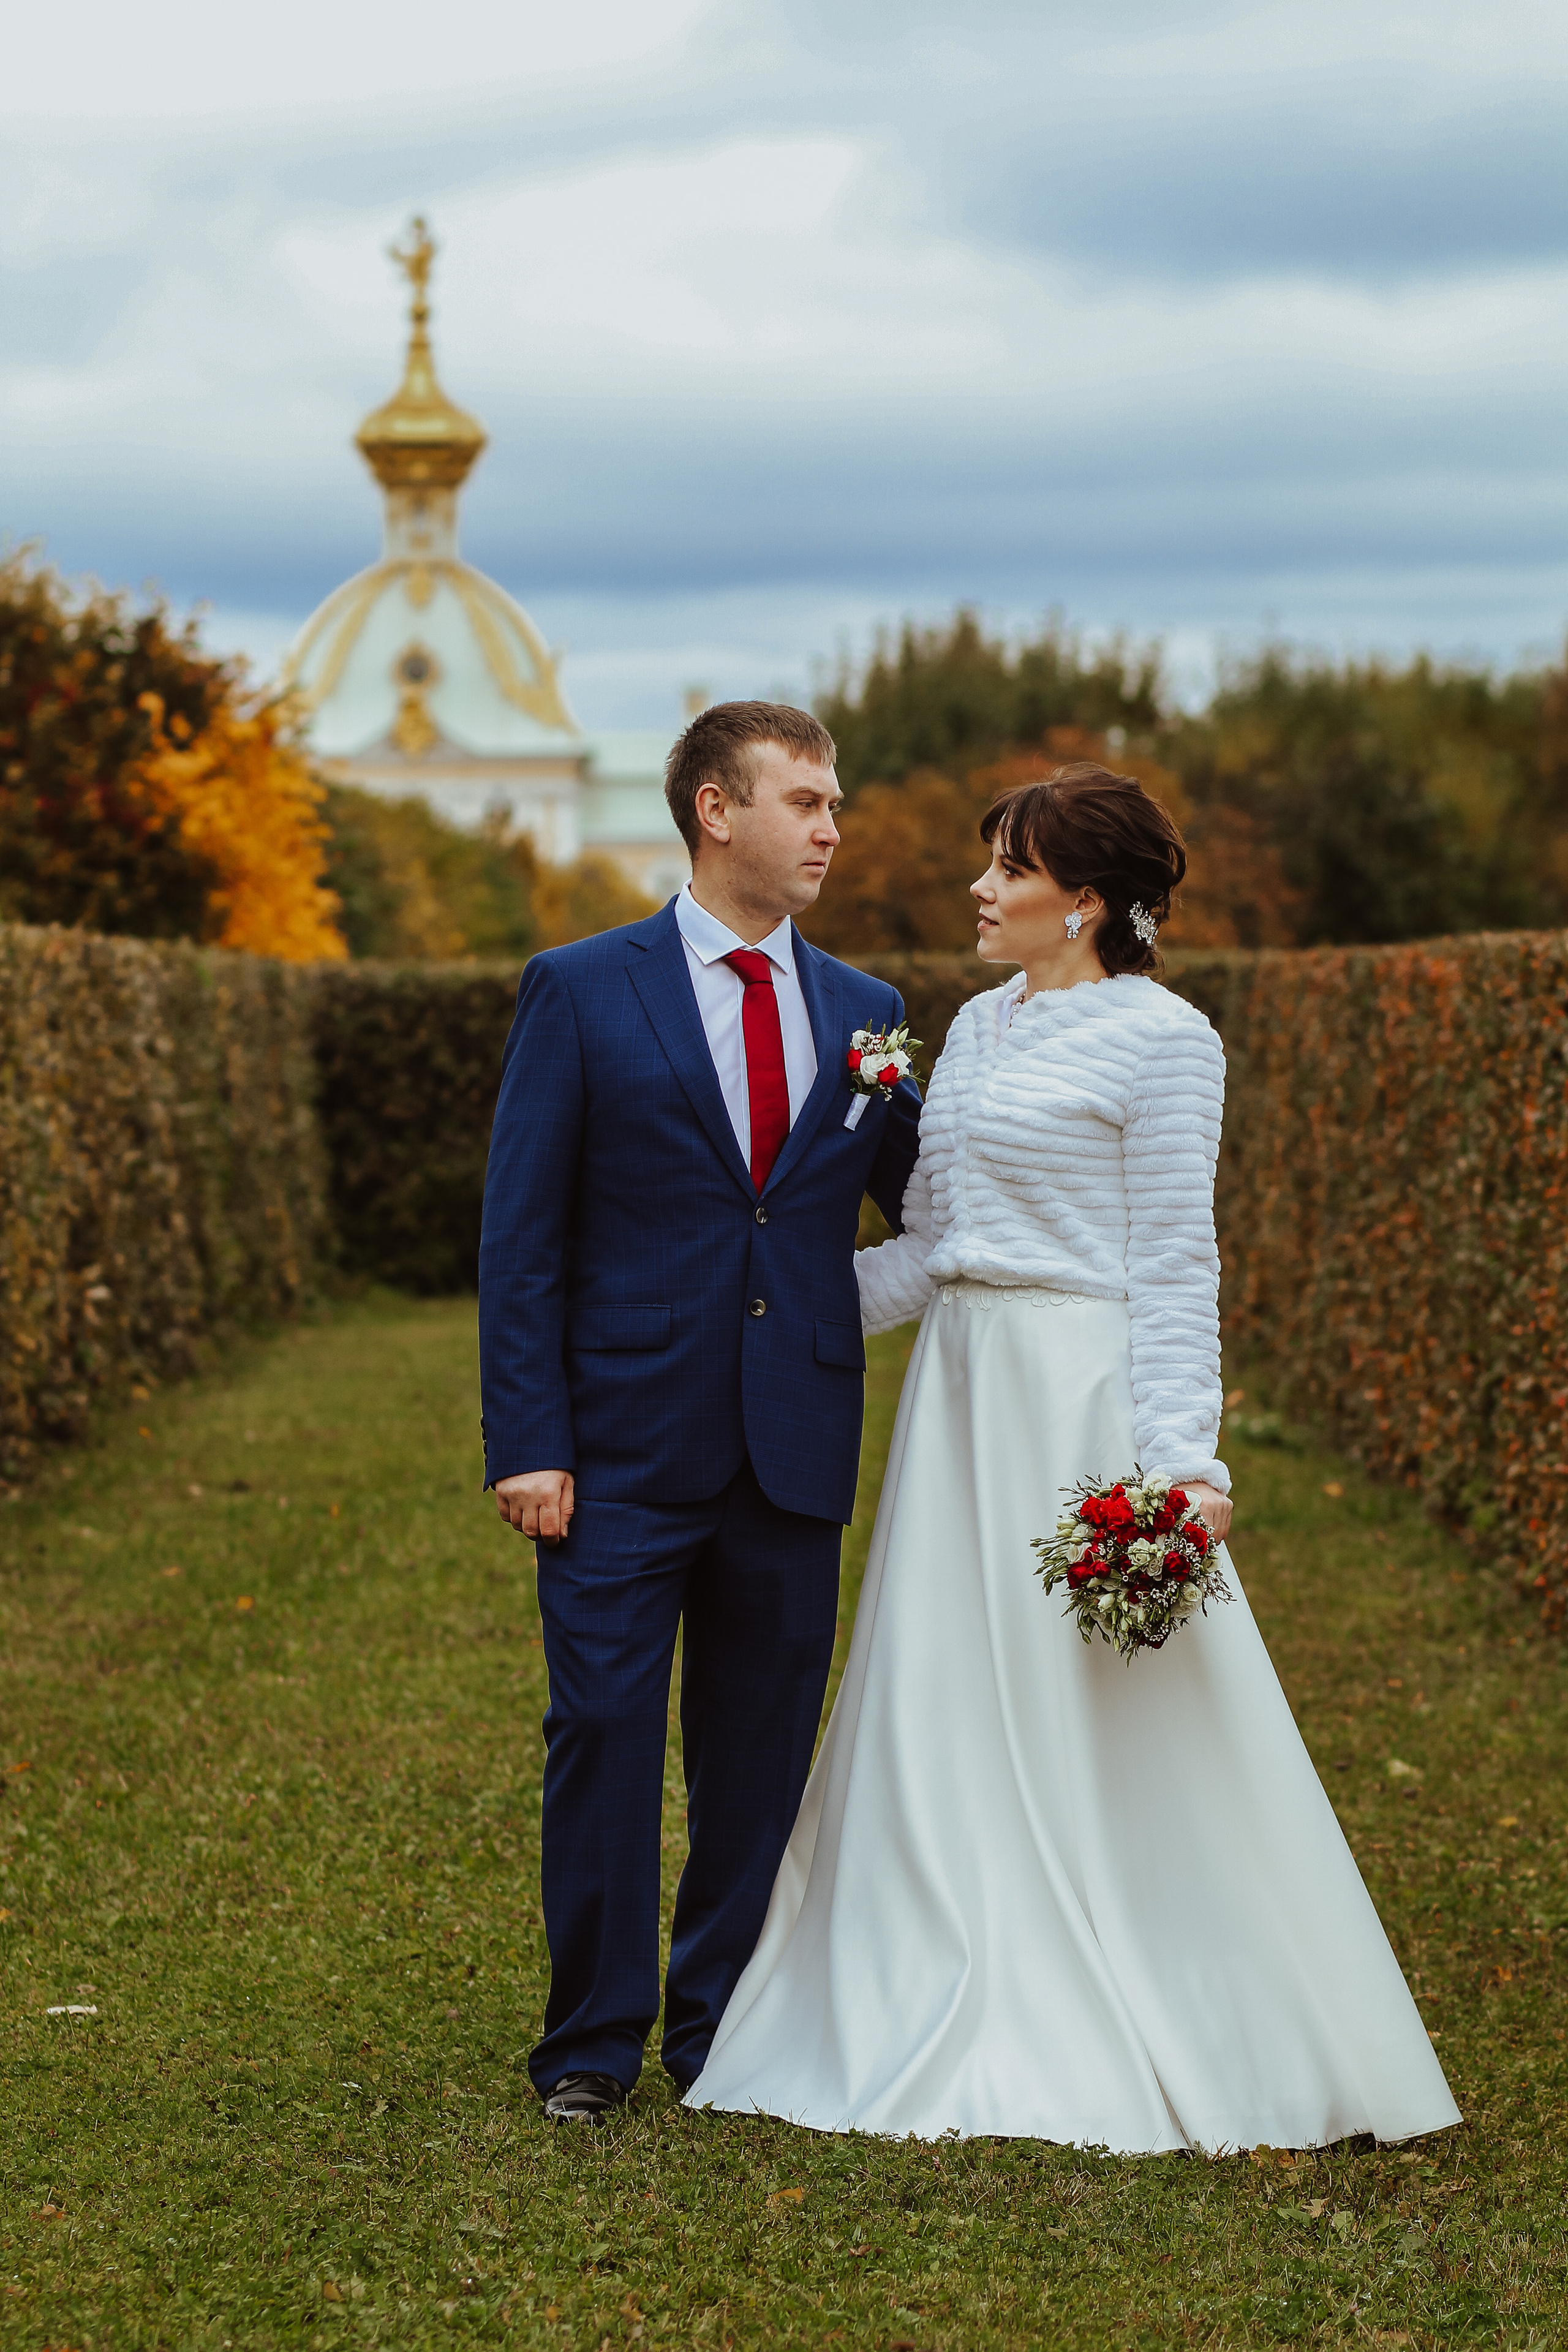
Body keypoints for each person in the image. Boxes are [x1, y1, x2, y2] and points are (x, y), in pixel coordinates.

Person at [687, 763, 1460, 2153]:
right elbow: (931, 1247)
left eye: (1006, 869)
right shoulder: (971, 1032)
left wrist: (1185, 1466)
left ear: (1084, 901)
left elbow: (1173, 1266)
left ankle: (1150, 1974)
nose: (978, 889)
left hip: (1078, 1395)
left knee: (1097, 1696)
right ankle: (928, 1943)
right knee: (933, 1677)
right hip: (959, 1394)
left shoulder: (1167, 1043)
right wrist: (754, 1318)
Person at [478, 701, 922, 2122]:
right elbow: (520, 1238)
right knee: (600, 1736)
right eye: (804, 800)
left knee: (758, 1753)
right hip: (613, 1450)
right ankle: (592, 2049)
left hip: (789, 1442)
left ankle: (721, 2024)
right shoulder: (580, 988)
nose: (831, 827)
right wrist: (529, 1441)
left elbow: (925, 1204)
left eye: (833, 800)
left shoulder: (866, 1015)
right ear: (714, 812)